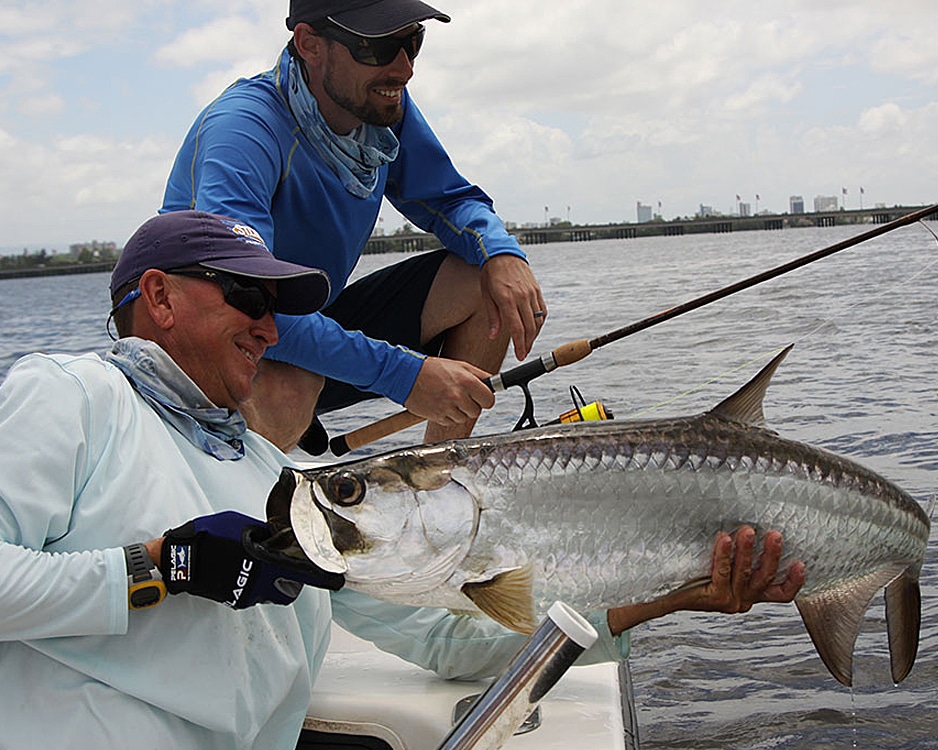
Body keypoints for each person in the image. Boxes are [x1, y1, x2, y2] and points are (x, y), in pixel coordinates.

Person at [0, 210, 805, 749]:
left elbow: (447, 641)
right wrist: (165, 569)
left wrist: (672, 595)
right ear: (158, 297)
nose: (270, 327)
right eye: (247, 294)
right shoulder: (70, 394)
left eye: (277, 305)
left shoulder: (277, 476)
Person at [161, 0, 548, 453]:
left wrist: (502, 253)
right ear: (310, 44)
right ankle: (258, 511)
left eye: (412, 42)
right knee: (288, 391)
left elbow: (450, 199)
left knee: (482, 277)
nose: (403, 69)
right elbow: (245, 302)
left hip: (308, 317)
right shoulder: (243, 131)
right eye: (378, 46)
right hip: (220, 337)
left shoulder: (381, 107)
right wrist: (405, 375)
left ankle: (441, 478)